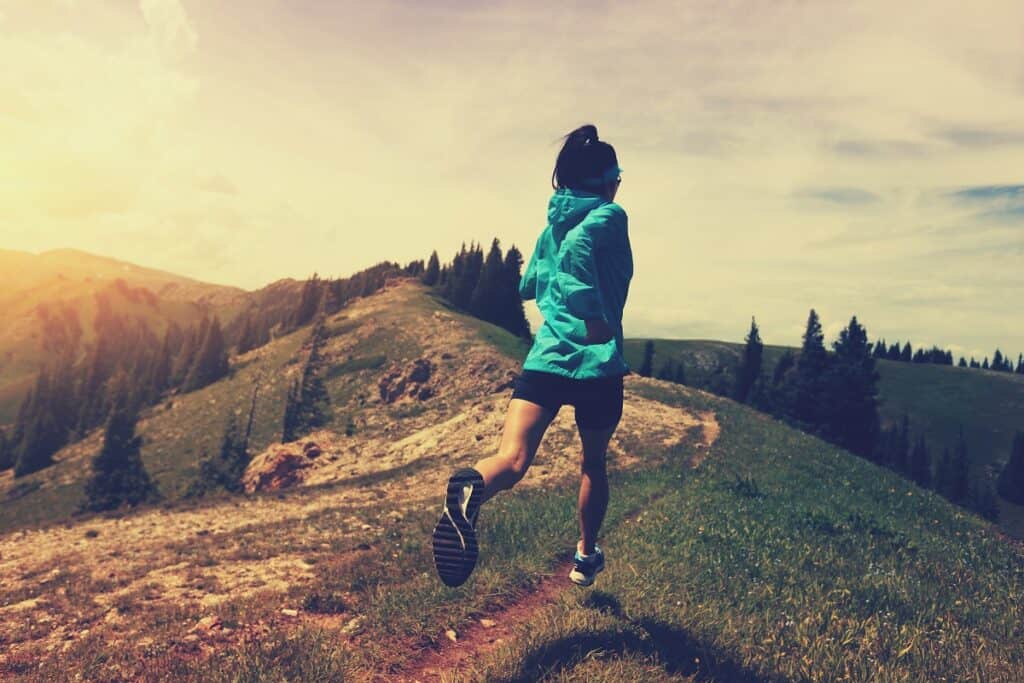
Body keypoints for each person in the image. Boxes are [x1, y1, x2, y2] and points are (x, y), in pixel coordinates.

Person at [432, 123, 633, 588]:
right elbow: (581, 254)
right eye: (617, 178)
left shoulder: (551, 227)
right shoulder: (608, 215)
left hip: (545, 360)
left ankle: (470, 490)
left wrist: (539, 288)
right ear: (608, 180)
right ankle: (586, 555)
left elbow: (534, 281)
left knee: (512, 458)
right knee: (593, 463)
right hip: (596, 362)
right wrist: (591, 313)